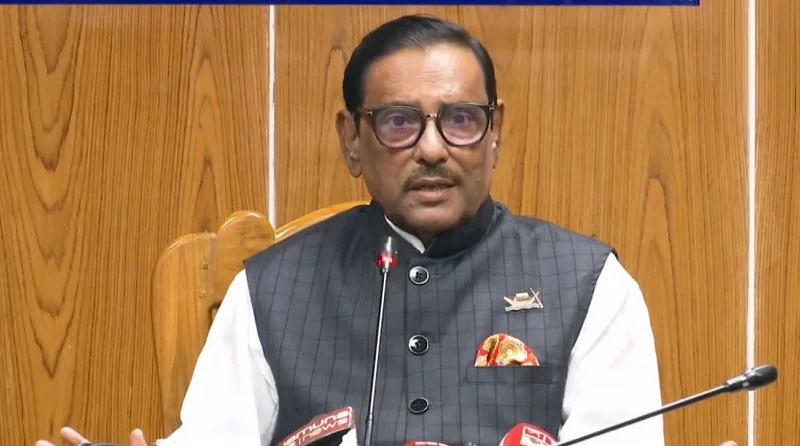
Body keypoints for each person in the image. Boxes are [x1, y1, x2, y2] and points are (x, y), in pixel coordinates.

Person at [37, 14, 734, 446]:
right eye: (399, 122)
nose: (432, 149)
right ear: (352, 139)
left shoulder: (589, 285)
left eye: (460, 120)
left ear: (495, 131)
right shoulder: (272, 287)